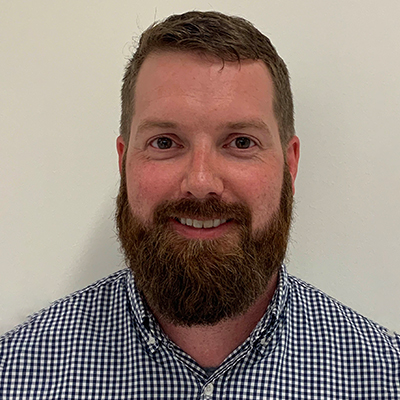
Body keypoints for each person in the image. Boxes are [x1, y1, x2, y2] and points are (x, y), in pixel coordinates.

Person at [0, 10, 398, 399]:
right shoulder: (15, 373)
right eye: (164, 142)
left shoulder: (385, 376)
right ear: (123, 162)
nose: (201, 182)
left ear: (290, 165)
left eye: (241, 142)